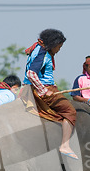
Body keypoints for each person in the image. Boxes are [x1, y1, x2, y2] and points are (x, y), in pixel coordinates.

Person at [23, 29, 78, 160]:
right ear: (53, 44)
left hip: (34, 88)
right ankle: (65, 145)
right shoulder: (42, 53)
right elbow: (31, 74)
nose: (59, 49)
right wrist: (43, 90)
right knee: (70, 111)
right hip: (44, 89)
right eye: (59, 46)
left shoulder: (37, 49)